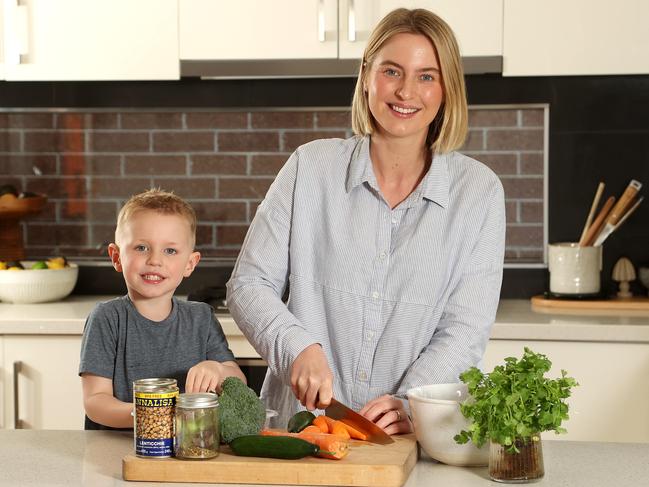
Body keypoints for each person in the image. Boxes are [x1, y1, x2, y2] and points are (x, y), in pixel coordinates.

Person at [226, 8, 505, 434]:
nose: (406, 91)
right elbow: (248, 285)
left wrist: (412, 398)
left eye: (427, 76)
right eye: (392, 71)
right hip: (299, 436)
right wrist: (297, 348)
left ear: (447, 88)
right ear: (366, 75)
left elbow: (465, 330)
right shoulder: (310, 167)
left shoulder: (479, 193)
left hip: (404, 440)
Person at [79, 189, 245, 429]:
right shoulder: (107, 318)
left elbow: (237, 379)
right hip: (115, 451)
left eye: (170, 250)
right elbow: (95, 401)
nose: (155, 260)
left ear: (190, 263)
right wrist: (150, 416)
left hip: (185, 449)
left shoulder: (201, 318)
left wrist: (218, 370)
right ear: (116, 257)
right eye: (141, 248)